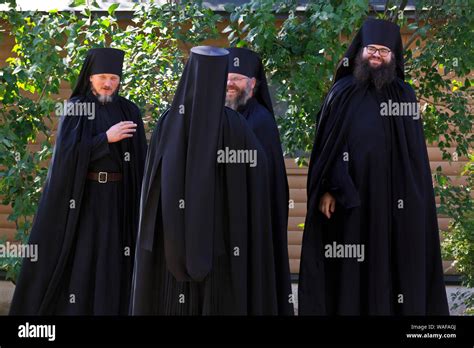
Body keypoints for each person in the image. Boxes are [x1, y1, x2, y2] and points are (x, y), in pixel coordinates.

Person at [298, 19, 449, 315]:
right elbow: (328, 148)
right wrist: (329, 188)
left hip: (394, 202)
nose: (376, 55)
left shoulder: (405, 96)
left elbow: (414, 160)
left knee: (392, 263)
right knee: (349, 268)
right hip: (349, 200)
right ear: (360, 53)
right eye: (371, 49)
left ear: (394, 57)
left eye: (383, 50)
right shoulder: (341, 93)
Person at [130, 46, 279, 315]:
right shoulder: (233, 124)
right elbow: (257, 181)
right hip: (219, 242)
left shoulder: (169, 122)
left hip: (176, 243)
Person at [10, 47, 147, 315]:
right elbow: (67, 157)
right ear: (90, 77)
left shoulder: (130, 110)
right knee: (83, 261)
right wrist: (105, 139)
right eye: (103, 77)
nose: (108, 83)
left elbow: (141, 158)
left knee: (114, 260)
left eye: (114, 78)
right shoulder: (76, 108)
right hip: (83, 202)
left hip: (119, 200)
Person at [225, 47, 293, 315]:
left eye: (238, 78)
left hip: (250, 220)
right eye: (227, 76)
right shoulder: (217, 113)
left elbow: (262, 176)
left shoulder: (260, 120)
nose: (230, 82)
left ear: (252, 85)